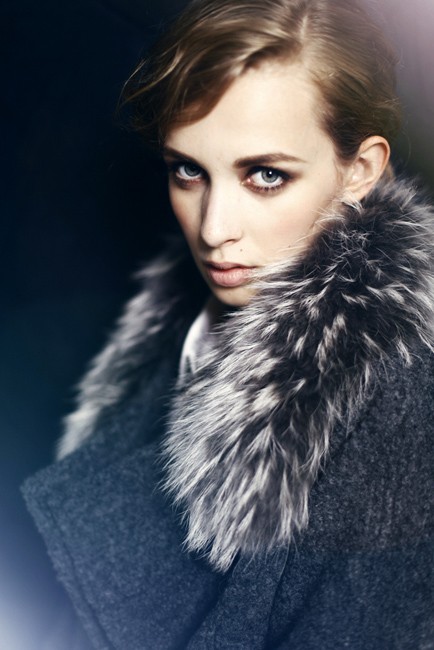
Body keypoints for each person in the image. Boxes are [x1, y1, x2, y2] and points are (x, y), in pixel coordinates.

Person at [23, 0, 434, 647]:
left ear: (359, 171)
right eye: (188, 170)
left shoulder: (399, 411)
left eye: (266, 175)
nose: (214, 230)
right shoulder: (174, 322)